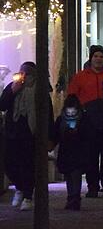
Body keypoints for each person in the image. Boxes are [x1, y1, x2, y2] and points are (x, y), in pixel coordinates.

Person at [67, 45, 103, 197]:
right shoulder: (80, 76)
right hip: (89, 122)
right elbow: (72, 99)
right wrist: (72, 122)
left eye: (101, 56)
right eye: (96, 56)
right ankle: (93, 186)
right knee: (91, 156)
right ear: (91, 58)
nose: (98, 59)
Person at [1, 62, 52, 211]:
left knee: (28, 166)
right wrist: (13, 91)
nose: (24, 76)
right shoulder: (13, 86)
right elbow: (2, 105)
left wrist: (49, 137)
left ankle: (28, 196)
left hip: (31, 134)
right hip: (12, 133)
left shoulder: (40, 89)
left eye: (28, 73)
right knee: (9, 164)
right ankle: (20, 188)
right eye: (22, 73)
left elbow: (47, 113)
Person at [50, 95, 88, 210]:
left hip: (73, 150)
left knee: (73, 175)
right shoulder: (81, 118)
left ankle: (73, 198)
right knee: (71, 175)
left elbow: (56, 134)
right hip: (71, 150)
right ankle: (73, 198)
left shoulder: (63, 119)